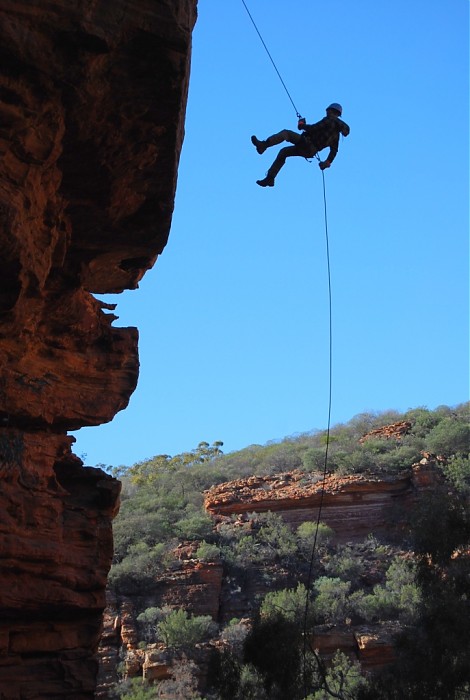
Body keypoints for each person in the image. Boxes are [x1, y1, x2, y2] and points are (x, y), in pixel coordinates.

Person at [251, 103, 350, 187]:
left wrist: (301, 125)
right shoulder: (336, 135)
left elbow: (313, 128)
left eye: (328, 111)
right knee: (283, 152)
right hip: (311, 152)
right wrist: (326, 163)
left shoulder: (329, 120)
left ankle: (263, 145)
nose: (327, 112)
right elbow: (334, 151)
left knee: (286, 134)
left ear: (331, 111)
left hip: (307, 144)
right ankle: (270, 178)